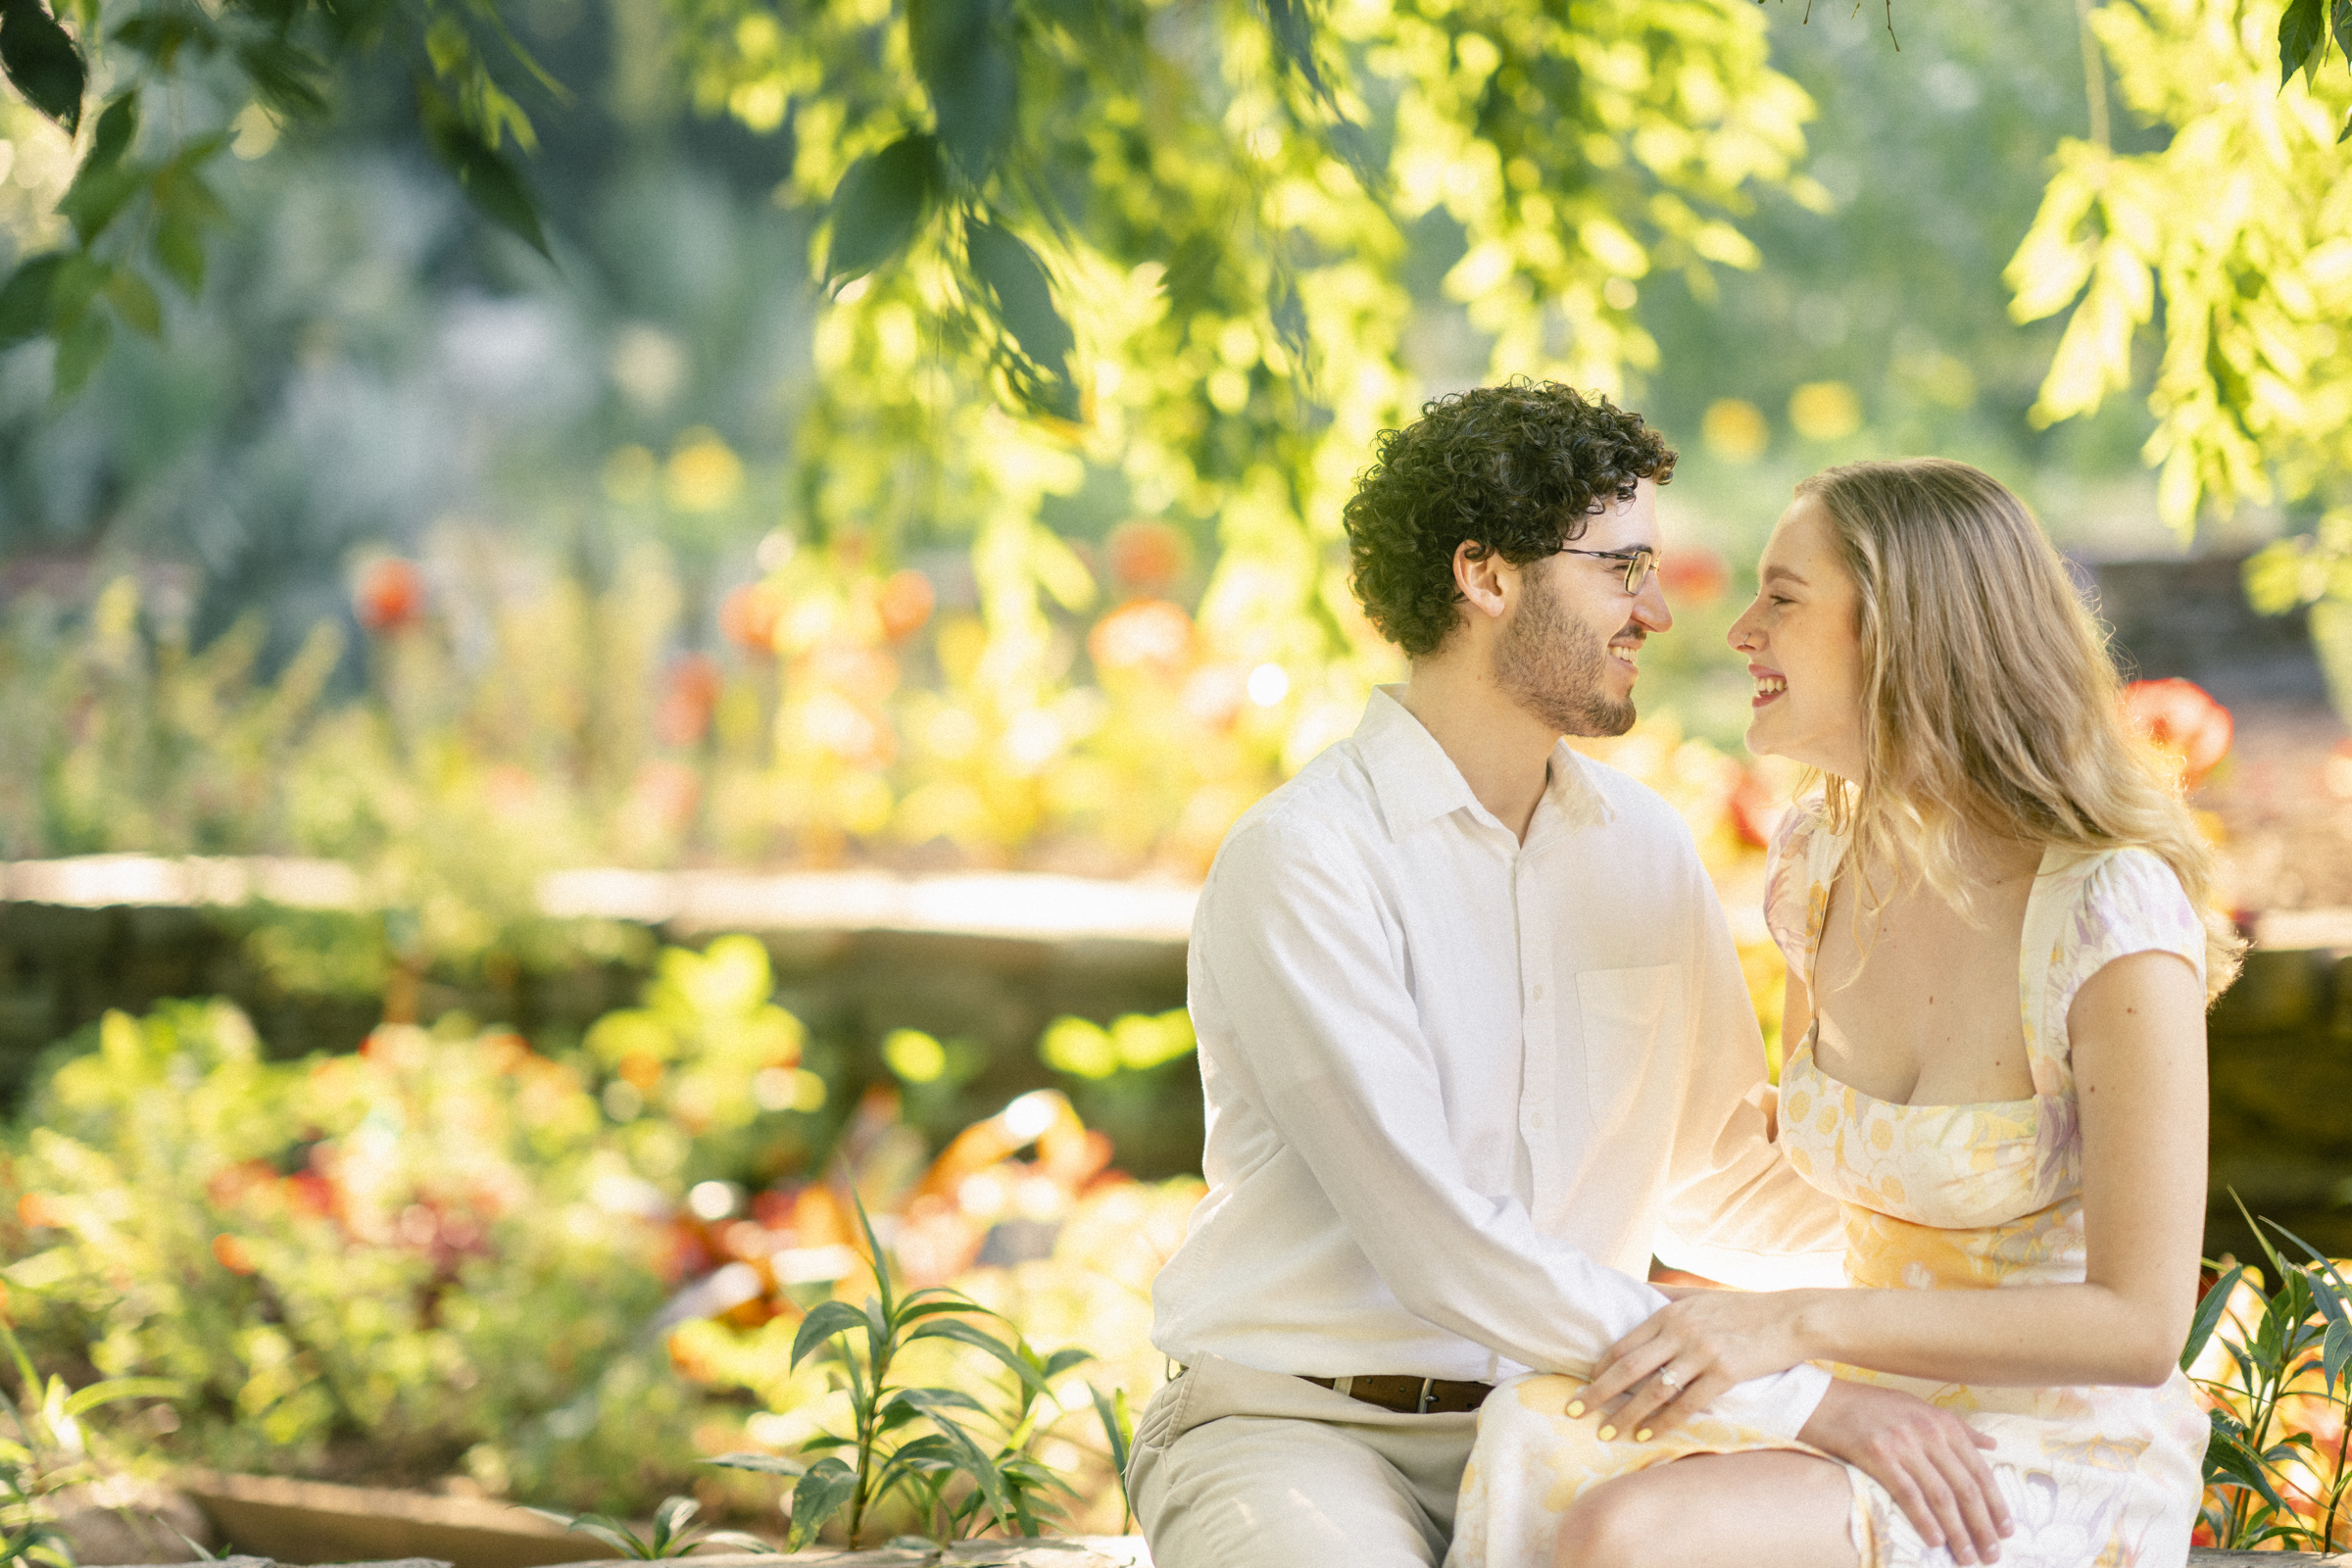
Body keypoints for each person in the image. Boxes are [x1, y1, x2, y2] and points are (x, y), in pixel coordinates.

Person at [1127, 386, 2014, 1568]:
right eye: (1622, 567)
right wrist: (1803, 1396)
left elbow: (1709, 1181)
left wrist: (1997, 1228)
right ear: (1487, 576)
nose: (1658, 609)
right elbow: (1438, 1241)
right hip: (1300, 1427)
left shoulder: (1644, 848)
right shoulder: (1306, 861)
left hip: (1572, 1421)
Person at [1447, 458, 2242, 1568]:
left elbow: (2140, 1324)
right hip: (1862, 1393)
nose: (1737, 629)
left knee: (1635, 1534)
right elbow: (1796, 1176)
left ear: (1906, 627)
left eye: (1782, 595)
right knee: (1536, 1426)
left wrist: (1795, 1323)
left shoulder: (2110, 913)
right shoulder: (1822, 864)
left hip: (2050, 1446)